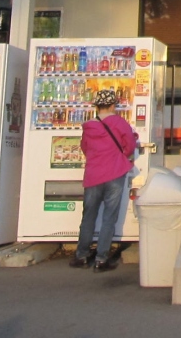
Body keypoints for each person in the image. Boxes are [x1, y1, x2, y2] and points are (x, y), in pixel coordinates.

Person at [71, 89, 137, 272]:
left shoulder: (89, 126)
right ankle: (101, 259)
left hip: (93, 175)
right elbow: (130, 145)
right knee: (109, 217)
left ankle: (81, 255)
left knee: (88, 216)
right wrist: (121, 156)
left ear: (97, 106)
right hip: (115, 173)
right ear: (113, 105)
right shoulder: (119, 122)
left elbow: (85, 148)